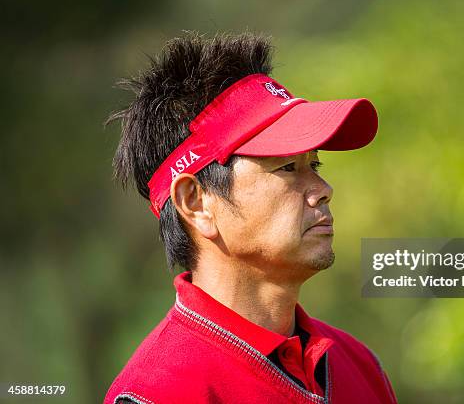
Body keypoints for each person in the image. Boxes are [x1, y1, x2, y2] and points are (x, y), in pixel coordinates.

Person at [103, 31, 397, 404]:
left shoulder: (358, 364)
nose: (323, 188)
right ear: (195, 201)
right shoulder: (159, 393)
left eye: (316, 164)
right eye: (288, 167)